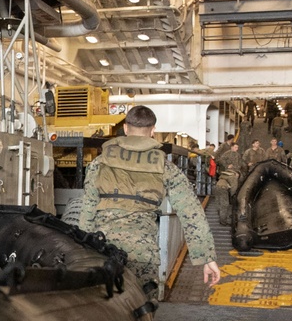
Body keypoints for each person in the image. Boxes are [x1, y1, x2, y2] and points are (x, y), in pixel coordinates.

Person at [79, 105, 220, 294]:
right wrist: (207, 258)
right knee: (142, 311)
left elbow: (87, 209)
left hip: (102, 248)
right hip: (142, 253)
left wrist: (82, 250)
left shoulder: (100, 162)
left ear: (126, 129)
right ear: (153, 131)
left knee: (101, 306)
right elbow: (191, 212)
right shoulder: (165, 167)